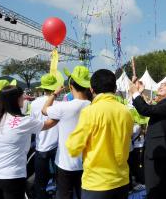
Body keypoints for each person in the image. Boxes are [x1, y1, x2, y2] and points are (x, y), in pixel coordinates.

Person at [66, 69, 133, 199]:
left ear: (91, 89)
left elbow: (73, 148)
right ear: (115, 88)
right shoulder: (126, 112)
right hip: (121, 181)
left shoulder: (90, 112)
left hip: (96, 184)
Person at [0, 86, 57, 199]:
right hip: (12, 177)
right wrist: (65, 111)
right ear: (16, 99)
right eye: (22, 95)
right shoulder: (23, 121)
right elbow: (49, 124)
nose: (24, 97)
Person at [41, 66, 92, 199]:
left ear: (71, 86)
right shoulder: (93, 106)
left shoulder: (63, 107)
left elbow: (44, 110)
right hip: (88, 163)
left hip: (65, 164)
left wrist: (55, 94)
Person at [129, 78, 166, 199]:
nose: (161, 86)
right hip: (158, 151)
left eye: (165, 85)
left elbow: (145, 110)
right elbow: (145, 109)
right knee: (162, 187)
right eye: (161, 83)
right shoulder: (165, 103)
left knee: (155, 187)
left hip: (158, 152)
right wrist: (139, 92)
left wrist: (135, 93)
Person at [31, 74, 60, 199]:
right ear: (54, 88)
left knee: (40, 181)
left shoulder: (34, 104)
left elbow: (33, 123)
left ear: (43, 88)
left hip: (41, 145)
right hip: (57, 145)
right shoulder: (60, 103)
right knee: (59, 180)